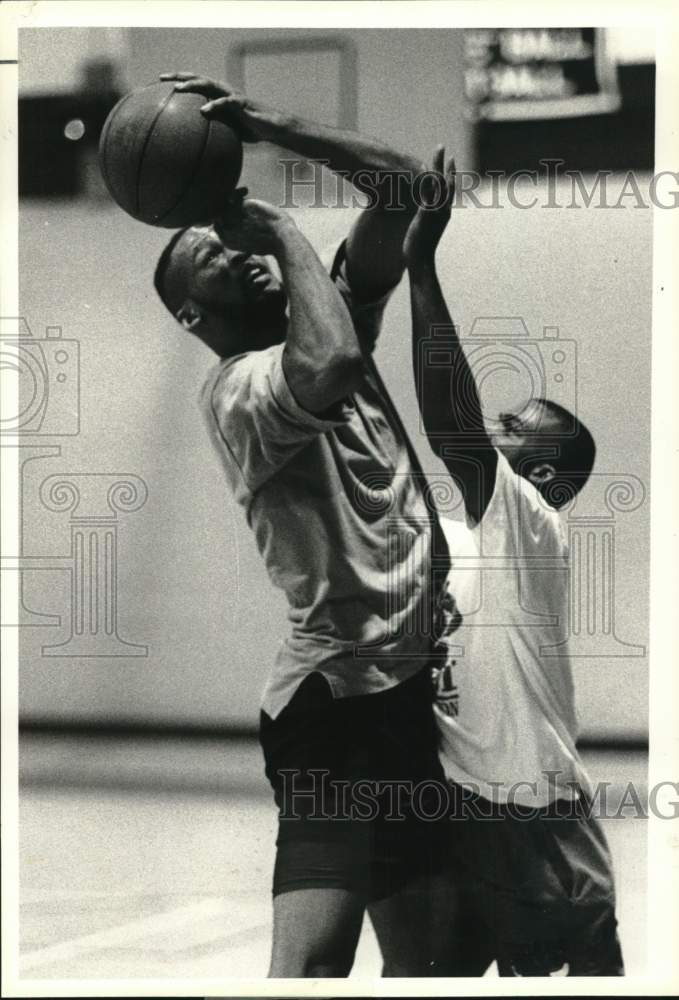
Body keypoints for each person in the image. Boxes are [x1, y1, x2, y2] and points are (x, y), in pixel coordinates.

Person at [152, 73, 456, 978]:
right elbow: (331, 364)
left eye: (225, 231)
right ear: (191, 312)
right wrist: (282, 231)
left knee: (440, 961)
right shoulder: (240, 389)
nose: (225, 239)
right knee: (310, 968)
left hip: (401, 696)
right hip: (333, 711)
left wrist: (262, 123)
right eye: (205, 251)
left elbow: (408, 188)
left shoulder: (324, 309)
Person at [402, 147, 624, 976]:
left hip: (533, 812)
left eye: (511, 426)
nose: (492, 429)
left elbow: (448, 419)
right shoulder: (463, 539)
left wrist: (420, 266)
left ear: (536, 473)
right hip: (463, 807)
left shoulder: (528, 521)